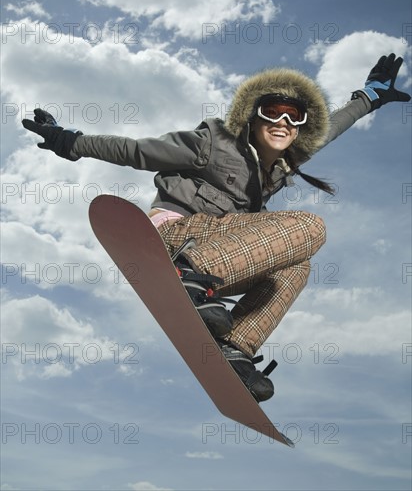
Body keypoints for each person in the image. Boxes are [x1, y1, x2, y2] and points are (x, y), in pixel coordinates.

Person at [22, 53, 410, 402]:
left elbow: (332, 129)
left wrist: (369, 97)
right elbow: (137, 150)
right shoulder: (214, 142)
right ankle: (185, 272)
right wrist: (69, 141)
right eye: (273, 112)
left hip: (220, 262)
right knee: (310, 227)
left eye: (294, 118)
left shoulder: (280, 165)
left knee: (298, 264)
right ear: (254, 116)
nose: (283, 122)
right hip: (178, 238)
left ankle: (234, 347)